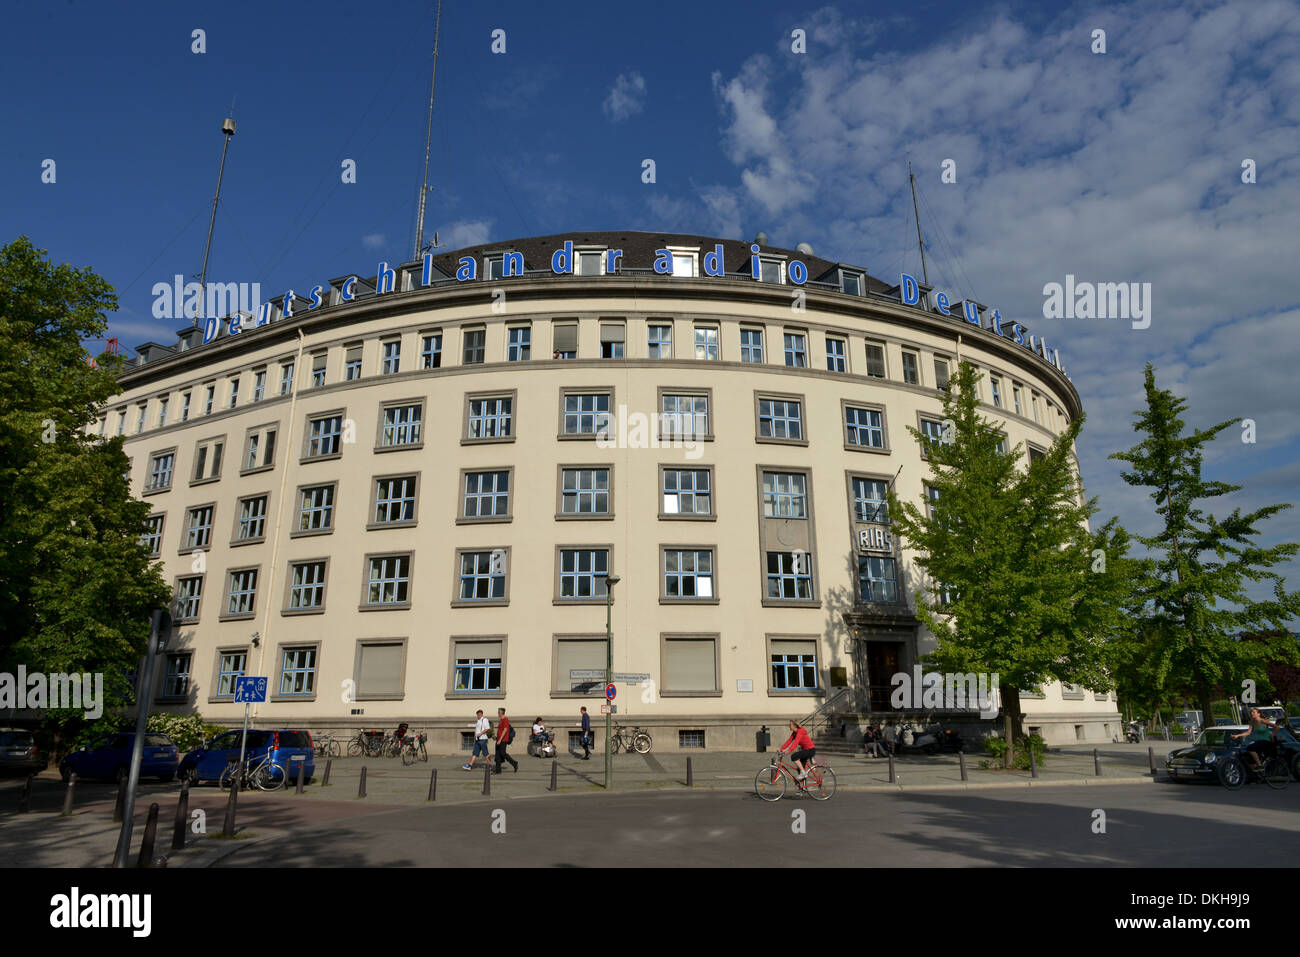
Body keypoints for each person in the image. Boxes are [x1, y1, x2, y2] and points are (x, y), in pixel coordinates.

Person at [493, 707, 518, 774]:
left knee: (503, 753)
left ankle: (514, 763)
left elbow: (505, 730)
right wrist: (497, 738)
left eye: (498, 712)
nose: (497, 713)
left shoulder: (505, 719)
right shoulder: (501, 720)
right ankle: (498, 771)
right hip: (499, 739)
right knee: (497, 755)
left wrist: (500, 739)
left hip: (503, 740)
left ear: (501, 713)